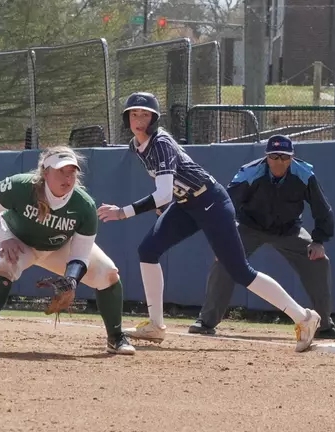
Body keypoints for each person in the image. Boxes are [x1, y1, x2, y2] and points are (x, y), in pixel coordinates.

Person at [96, 92, 321, 353]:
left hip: (210, 202)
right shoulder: (137, 145)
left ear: (154, 119)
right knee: (148, 251)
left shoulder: (160, 144)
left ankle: (304, 317)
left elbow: (164, 193)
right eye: (134, 114)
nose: (139, 119)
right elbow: (168, 187)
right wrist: (164, 204)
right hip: (186, 204)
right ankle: (156, 325)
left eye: (145, 115)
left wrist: (123, 212)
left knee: (240, 271)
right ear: (127, 118)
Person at [0, 146, 135, 355]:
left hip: (58, 247)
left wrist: (71, 281)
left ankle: (116, 336)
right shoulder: (21, 186)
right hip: (17, 240)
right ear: (45, 172)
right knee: (5, 265)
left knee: (108, 273)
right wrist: (4, 238)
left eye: (71, 172)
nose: (67, 178)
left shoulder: (84, 205)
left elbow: (80, 254)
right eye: (60, 171)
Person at [188, 135, 335, 340]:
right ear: (267, 158)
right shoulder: (250, 172)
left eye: (284, 157)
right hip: (249, 227)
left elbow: (322, 209)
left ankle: (324, 325)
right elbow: (226, 205)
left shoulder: (304, 174)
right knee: (224, 262)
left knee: (319, 261)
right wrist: (222, 241)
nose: (279, 162)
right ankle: (206, 321)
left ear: (292, 159)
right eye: (274, 157)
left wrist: (318, 241)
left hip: (289, 230)